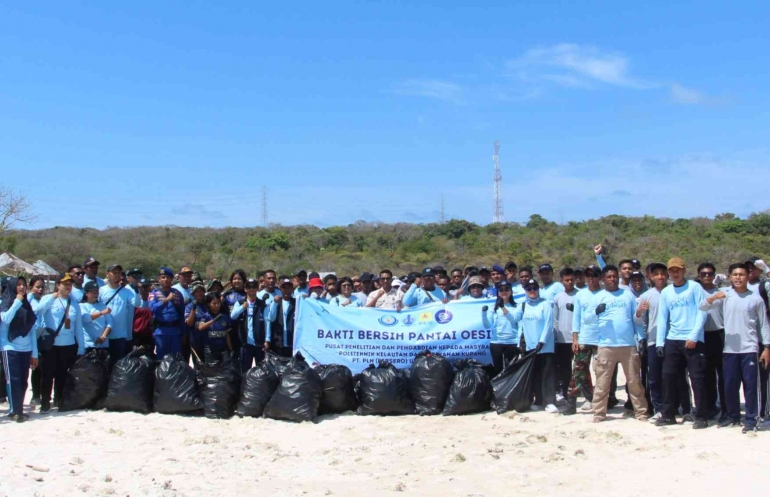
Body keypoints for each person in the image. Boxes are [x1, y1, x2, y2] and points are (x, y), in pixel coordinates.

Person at [700, 263, 770, 433]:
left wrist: (767, 347)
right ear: (730, 277)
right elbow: (702, 306)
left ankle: (752, 420)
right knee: (730, 385)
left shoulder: (755, 298)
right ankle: (733, 417)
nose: (738, 277)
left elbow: (764, 325)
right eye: (735, 274)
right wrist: (714, 297)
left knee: (751, 386)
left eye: (742, 274)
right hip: (729, 350)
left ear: (748, 276)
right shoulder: (726, 295)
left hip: (750, 349)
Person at [586, 265, 649, 423]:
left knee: (634, 381)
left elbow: (636, 319)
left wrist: (640, 338)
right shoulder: (597, 298)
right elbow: (587, 320)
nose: (612, 279)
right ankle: (599, 413)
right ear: (603, 279)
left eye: (614, 276)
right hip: (606, 346)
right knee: (602, 382)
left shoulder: (627, 296)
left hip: (628, 345)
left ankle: (641, 412)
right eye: (609, 277)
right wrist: (596, 312)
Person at [655, 257, 709, 429]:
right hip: (672, 339)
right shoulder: (666, 292)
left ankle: (701, 416)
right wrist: (659, 342)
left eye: (678, 269)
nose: (675, 273)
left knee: (697, 379)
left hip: (692, 339)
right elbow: (662, 318)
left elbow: (703, 312)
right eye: (671, 270)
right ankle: (668, 414)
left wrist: (693, 336)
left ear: (684, 270)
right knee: (668, 377)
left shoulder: (694, 287)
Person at [35, 274, 84, 413]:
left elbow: (78, 326)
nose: (68, 286)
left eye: (70, 284)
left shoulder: (74, 302)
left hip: (68, 344)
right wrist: (52, 297)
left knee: (62, 374)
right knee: (47, 375)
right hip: (51, 345)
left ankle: (59, 400)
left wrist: (81, 346)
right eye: (65, 283)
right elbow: (38, 311)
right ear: (58, 285)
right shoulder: (48, 299)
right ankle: (45, 402)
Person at [562, 265, 602, 415]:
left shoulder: (604, 294)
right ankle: (572, 402)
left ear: (600, 277)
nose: (591, 278)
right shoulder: (580, 295)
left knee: (601, 372)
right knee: (579, 372)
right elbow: (576, 318)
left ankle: (603, 400)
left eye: (594, 275)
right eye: (588, 276)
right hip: (584, 338)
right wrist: (575, 339)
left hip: (601, 340)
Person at [0, 277, 39, 422]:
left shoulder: (27, 305)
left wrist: (34, 353)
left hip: (26, 348)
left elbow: (32, 330)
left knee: (23, 381)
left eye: (23, 285)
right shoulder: (6, 303)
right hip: (9, 347)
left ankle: (19, 409)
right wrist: (17, 301)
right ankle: (15, 410)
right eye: (18, 285)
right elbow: (6, 318)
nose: (22, 287)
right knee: (13, 380)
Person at [518, 279, 557, 413]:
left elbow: (548, 324)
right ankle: (539, 400)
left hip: (545, 346)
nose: (532, 291)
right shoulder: (523, 305)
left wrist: (542, 341)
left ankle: (550, 401)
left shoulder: (545, 304)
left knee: (547, 374)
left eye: (535, 288)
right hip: (530, 346)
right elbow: (516, 320)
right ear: (526, 291)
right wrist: (502, 307)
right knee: (535, 374)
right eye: (529, 289)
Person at [697, 262, 727, 421]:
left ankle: (726, 407)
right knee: (706, 374)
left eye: (710, 274)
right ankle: (710, 406)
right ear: (699, 276)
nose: (707, 276)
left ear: (714, 276)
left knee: (723, 373)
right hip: (702, 336)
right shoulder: (696, 292)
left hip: (720, 334)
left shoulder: (723, 293)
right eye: (703, 274)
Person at [99, 264, 140, 369]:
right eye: (114, 272)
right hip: (104, 334)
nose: (116, 275)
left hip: (120, 335)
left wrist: (136, 290)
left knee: (118, 365)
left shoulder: (126, 291)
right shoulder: (101, 291)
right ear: (107, 274)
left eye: (118, 273)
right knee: (104, 365)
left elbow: (137, 303)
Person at [231, 278, 275, 372]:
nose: (251, 289)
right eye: (249, 287)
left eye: (254, 286)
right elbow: (233, 316)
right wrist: (242, 308)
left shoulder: (263, 304)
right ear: (245, 289)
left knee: (262, 371)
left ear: (257, 288)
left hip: (259, 344)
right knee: (245, 370)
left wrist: (267, 340)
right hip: (245, 344)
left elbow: (267, 323)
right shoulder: (239, 303)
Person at [482, 280, 522, 374]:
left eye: (506, 289)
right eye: (501, 290)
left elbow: (515, 321)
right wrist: (483, 313)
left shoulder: (517, 306)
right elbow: (487, 325)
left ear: (511, 291)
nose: (504, 292)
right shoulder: (493, 307)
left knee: (512, 371)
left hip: (512, 342)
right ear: (498, 292)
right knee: (498, 370)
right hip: (496, 343)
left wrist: (503, 307)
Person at [148, 267, 185, 359]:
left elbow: (181, 313)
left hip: (176, 331)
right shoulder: (154, 294)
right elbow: (152, 309)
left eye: (168, 277)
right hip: (161, 331)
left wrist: (184, 332)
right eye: (163, 277)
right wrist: (166, 300)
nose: (165, 279)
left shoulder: (177, 293)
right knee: (161, 359)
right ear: (159, 279)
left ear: (172, 279)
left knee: (177, 358)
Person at [553, 268, 578, 402]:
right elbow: (555, 319)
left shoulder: (580, 295)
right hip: (562, 339)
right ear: (561, 280)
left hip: (578, 338)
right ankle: (565, 392)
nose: (569, 282)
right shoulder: (558, 297)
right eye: (566, 280)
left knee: (580, 368)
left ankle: (583, 393)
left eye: (571, 280)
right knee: (564, 368)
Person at [26, 275, 46, 405]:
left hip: (43, 337)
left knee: (44, 367)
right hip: (32, 337)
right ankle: (35, 395)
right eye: (37, 287)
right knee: (35, 367)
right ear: (31, 287)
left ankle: (42, 394)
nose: (40, 290)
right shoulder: (28, 301)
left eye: (42, 287)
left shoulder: (44, 300)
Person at [197, 292, 233, 362]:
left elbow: (227, 334)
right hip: (210, 350)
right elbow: (200, 327)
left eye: (218, 303)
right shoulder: (205, 316)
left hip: (223, 349)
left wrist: (230, 349)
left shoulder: (224, 316)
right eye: (214, 303)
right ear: (208, 304)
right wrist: (214, 320)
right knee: (212, 371)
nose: (217, 305)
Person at [79, 281, 112, 353]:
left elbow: (109, 323)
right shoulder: (82, 306)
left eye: (97, 291)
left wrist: (103, 337)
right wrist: (101, 313)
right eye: (92, 291)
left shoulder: (103, 306)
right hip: (88, 344)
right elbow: (85, 318)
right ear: (86, 293)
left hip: (103, 344)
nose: (95, 293)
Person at [271, 277, 297, 358]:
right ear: (280, 289)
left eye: (289, 287)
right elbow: (271, 318)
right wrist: (274, 303)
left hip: (293, 344)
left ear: (292, 289)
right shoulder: (276, 302)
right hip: (279, 343)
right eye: (284, 288)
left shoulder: (297, 303)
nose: (287, 290)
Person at [185, 282, 207, 363]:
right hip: (195, 338)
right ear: (193, 293)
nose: (199, 293)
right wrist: (193, 309)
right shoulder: (189, 306)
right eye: (197, 291)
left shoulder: (209, 304)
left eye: (201, 291)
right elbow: (189, 323)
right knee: (197, 362)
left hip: (208, 338)